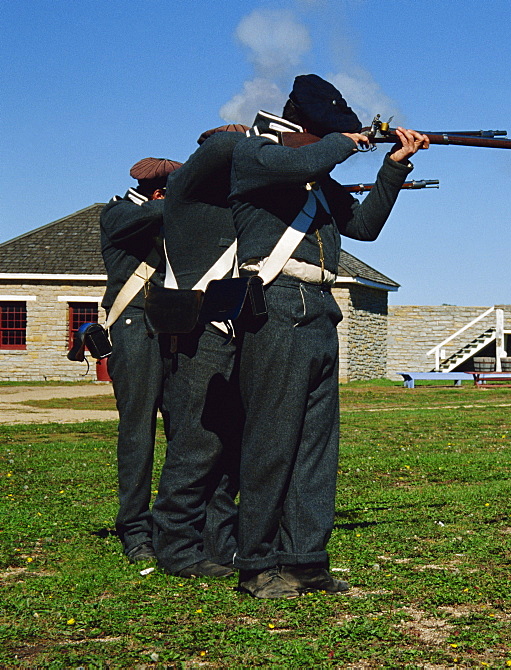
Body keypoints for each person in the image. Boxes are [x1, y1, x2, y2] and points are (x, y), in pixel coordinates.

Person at [230, 74, 429, 598]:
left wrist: (393, 167)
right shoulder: (256, 154)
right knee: (272, 444)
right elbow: (301, 161)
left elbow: (362, 226)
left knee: (317, 448)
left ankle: (305, 560)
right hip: (274, 310)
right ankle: (256, 564)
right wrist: (347, 142)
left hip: (319, 313)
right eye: (328, 134)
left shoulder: (313, 178)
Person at [150, 125, 249, 578]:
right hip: (197, 336)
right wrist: (262, 138)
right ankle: (175, 547)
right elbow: (226, 145)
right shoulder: (185, 193)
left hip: (230, 334)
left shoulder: (232, 204)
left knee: (227, 448)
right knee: (194, 446)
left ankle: (218, 543)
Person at [100, 157, 180, 563]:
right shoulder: (118, 212)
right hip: (133, 328)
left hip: (174, 328)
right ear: (159, 190)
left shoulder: (166, 212)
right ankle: (134, 527)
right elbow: (152, 214)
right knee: (138, 432)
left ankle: (177, 522)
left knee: (185, 429)